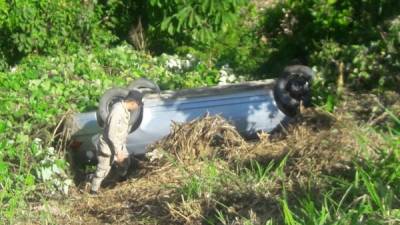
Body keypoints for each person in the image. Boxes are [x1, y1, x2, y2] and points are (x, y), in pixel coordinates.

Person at [90, 90, 143, 194]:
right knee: (102, 170)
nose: (138, 107)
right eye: (138, 104)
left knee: (126, 162)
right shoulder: (117, 111)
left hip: (119, 145)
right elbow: (111, 134)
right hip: (108, 147)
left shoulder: (125, 110)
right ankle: (93, 191)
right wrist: (118, 151)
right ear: (133, 102)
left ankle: (119, 182)